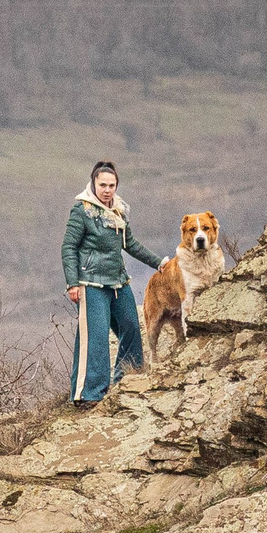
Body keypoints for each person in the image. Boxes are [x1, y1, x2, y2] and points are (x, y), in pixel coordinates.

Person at [61, 161, 159, 406]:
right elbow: (68, 247)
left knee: (131, 327)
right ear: (94, 183)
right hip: (90, 283)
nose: (107, 190)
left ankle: (128, 379)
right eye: (102, 185)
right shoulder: (81, 210)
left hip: (117, 281)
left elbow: (131, 244)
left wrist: (160, 263)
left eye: (111, 185)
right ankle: (89, 395)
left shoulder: (119, 211)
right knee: (96, 338)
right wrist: (72, 283)